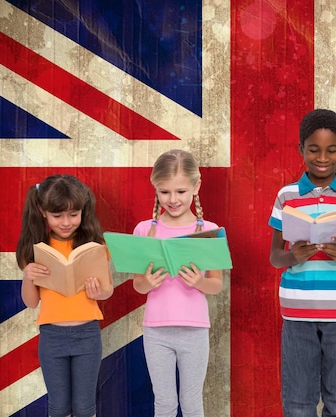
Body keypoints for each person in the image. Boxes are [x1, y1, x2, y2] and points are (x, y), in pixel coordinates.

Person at [268, 109, 336, 417]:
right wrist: (294, 255)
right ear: (301, 149)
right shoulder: (287, 195)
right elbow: (276, 257)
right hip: (297, 309)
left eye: (332, 150)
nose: (323, 157)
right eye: (313, 149)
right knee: (298, 402)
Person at [132, 149, 223, 417]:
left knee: (192, 402)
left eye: (181, 192)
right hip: (156, 330)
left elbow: (216, 285)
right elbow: (138, 285)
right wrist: (147, 282)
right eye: (165, 192)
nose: (173, 200)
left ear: (196, 187)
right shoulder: (144, 230)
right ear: (156, 189)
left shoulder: (209, 230)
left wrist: (198, 282)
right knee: (164, 402)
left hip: (194, 330)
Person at [16, 174, 114, 417]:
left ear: (83, 210)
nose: (66, 222)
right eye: (57, 216)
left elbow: (107, 289)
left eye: (73, 214)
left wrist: (98, 291)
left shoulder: (95, 244)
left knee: (84, 406)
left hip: (87, 334)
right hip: (52, 336)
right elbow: (31, 302)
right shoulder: (36, 248)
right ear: (42, 211)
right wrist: (28, 276)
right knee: (58, 406)